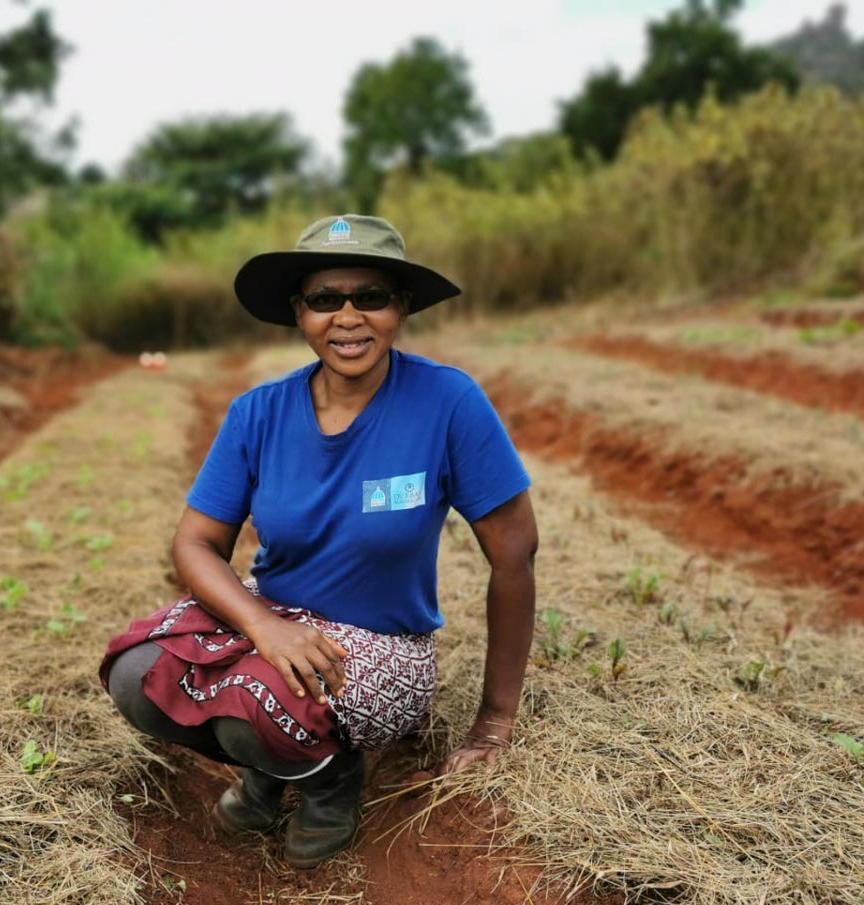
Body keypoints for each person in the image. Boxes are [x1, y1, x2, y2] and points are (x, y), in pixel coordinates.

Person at [100, 214, 538, 869]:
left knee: (255, 701)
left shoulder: (448, 401)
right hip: (272, 616)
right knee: (136, 671)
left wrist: (495, 720)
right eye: (325, 299)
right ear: (299, 313)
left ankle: (328, 779)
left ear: (402, 306)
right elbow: (194, 542)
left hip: (384, 643)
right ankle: (276, 765)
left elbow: (514, 552)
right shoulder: (258, 412)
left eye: (371, 296)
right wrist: (263, 624)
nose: (349, 317)